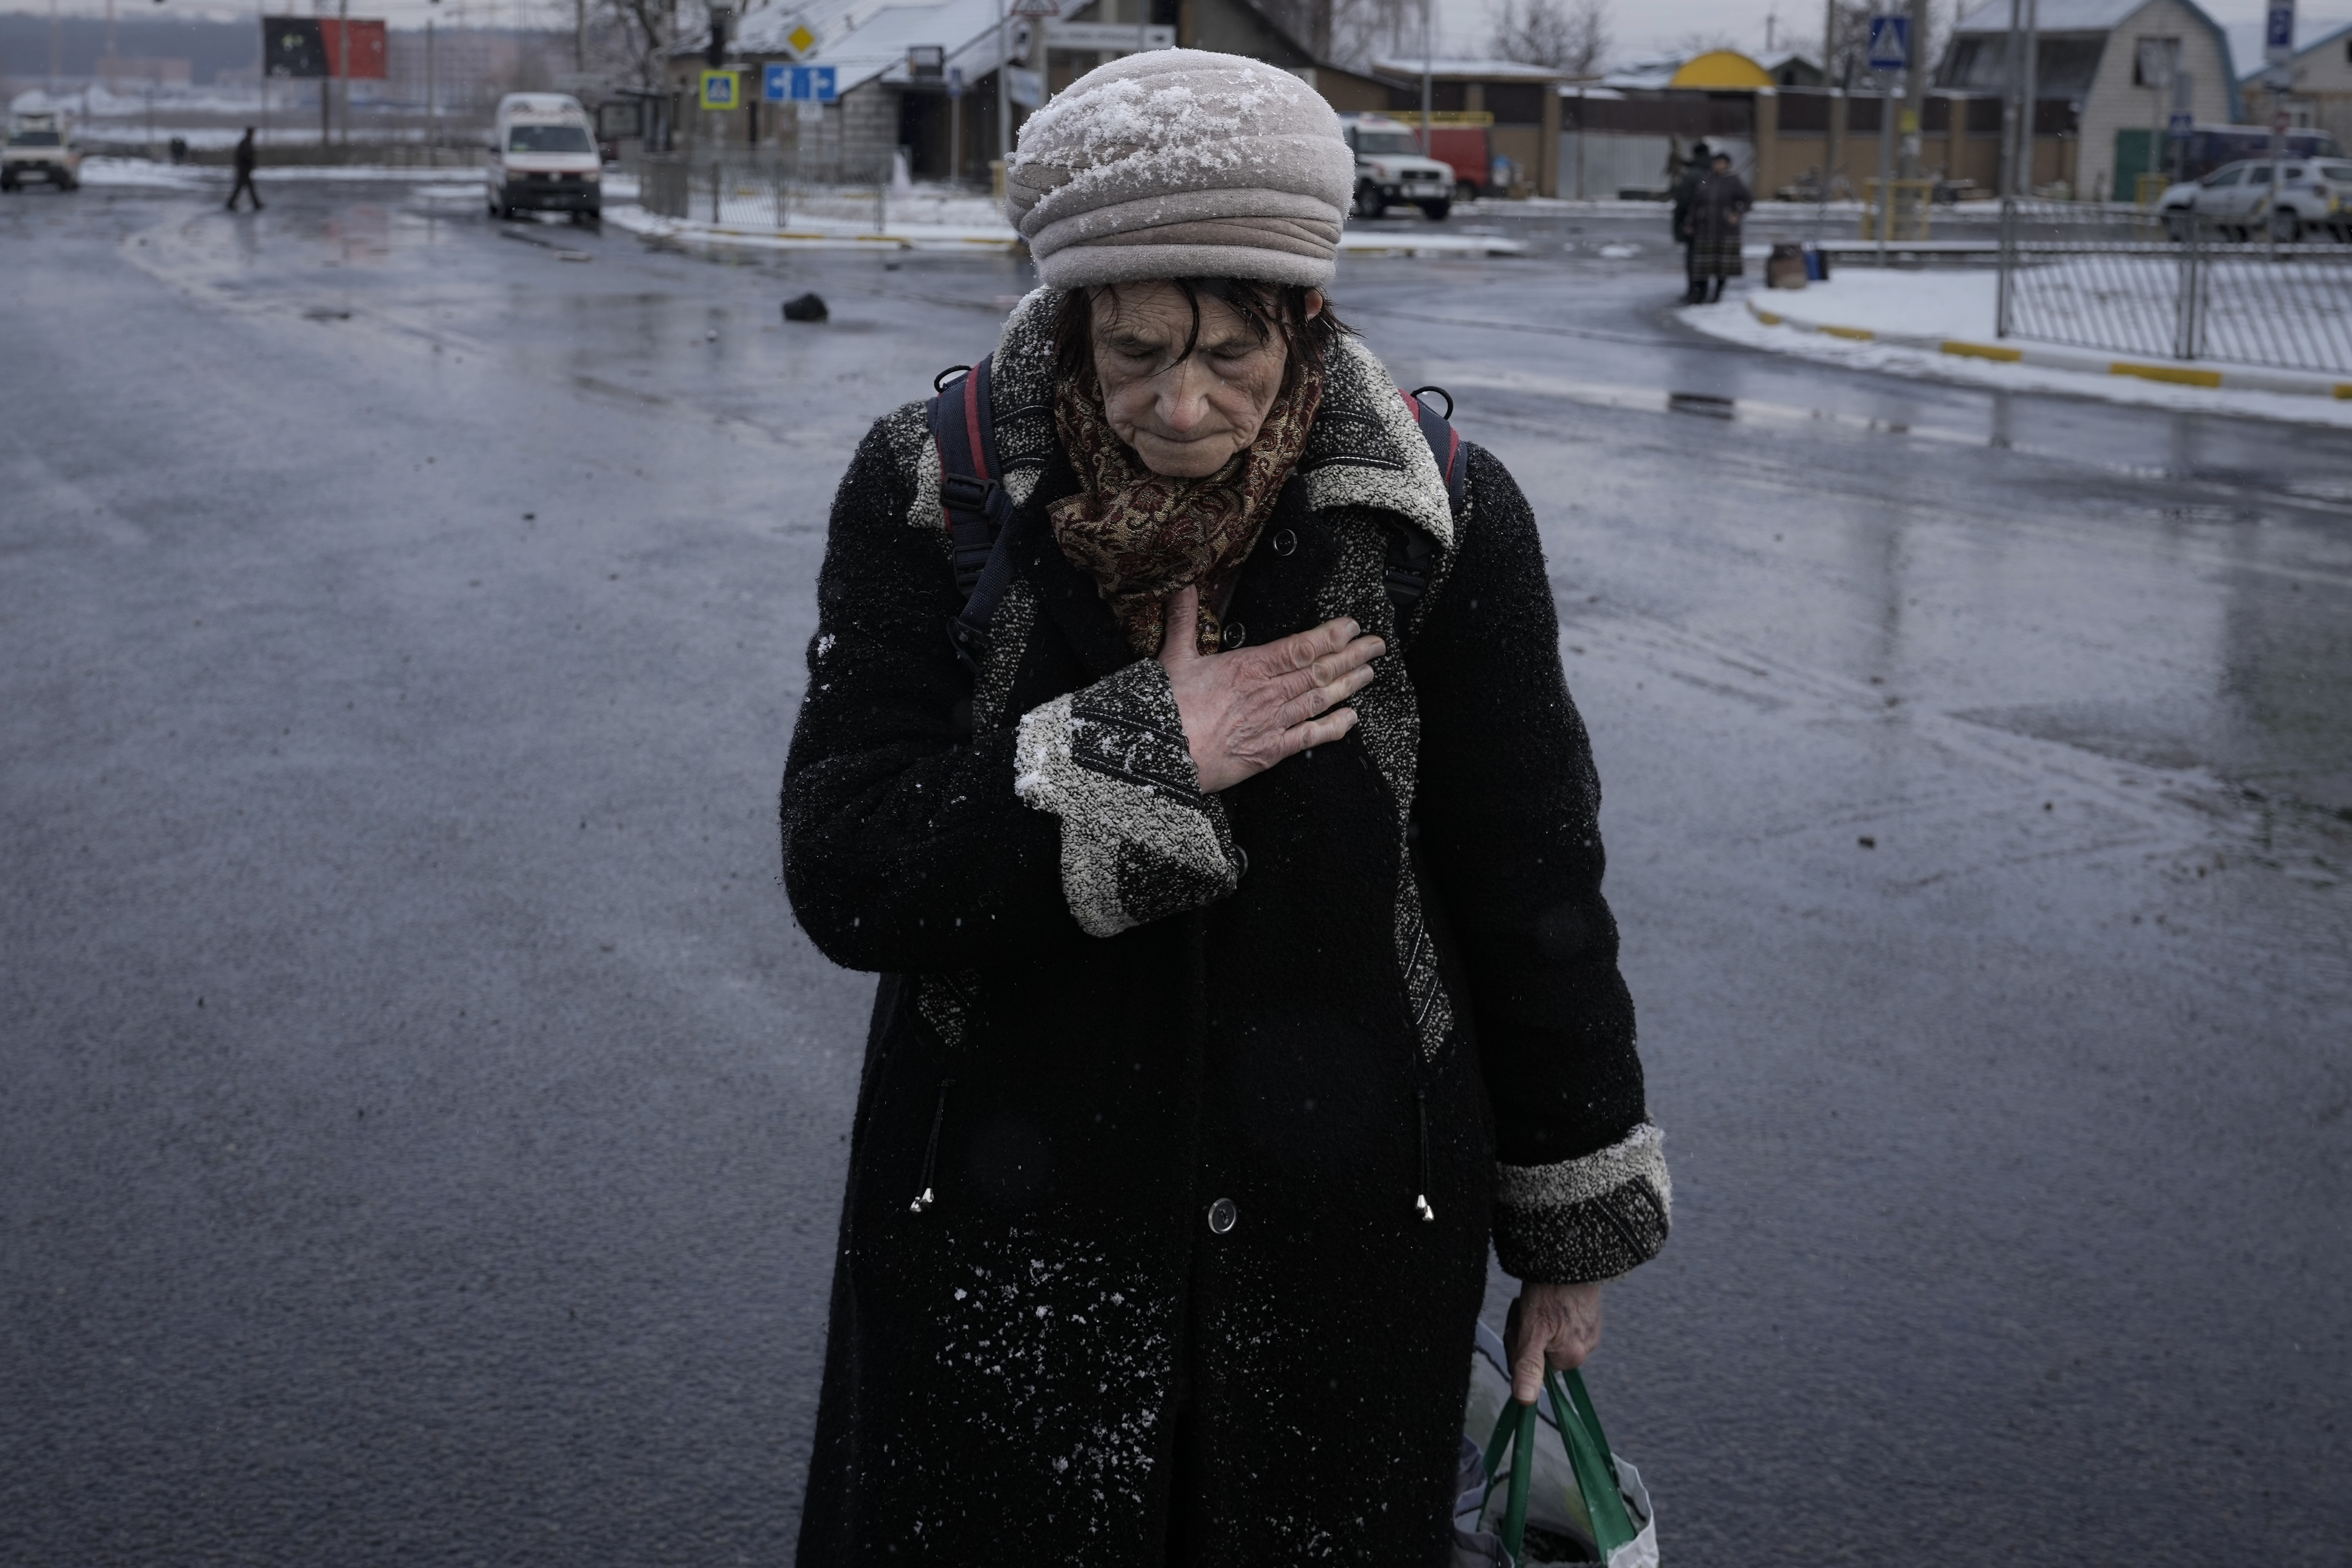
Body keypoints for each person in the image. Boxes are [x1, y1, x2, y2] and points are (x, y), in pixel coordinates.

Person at [780, 49, 1668, 1565]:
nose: (1177, 407)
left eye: (1229, 358)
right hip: (1003, 1230)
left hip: (1343, 1245)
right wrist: (1141, 751)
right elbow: (850, 863)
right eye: (1128, 354)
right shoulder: (934, 495)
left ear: (1305, 319)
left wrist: (1564, 1243)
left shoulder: (1432, 520)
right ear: (1070, 317)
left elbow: (1530, 886)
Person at [1688, 150, 1752, 304]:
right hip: (1705, 230)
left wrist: (1737, 214)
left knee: (1722, 266)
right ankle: (1701, 295)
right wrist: (1690, 223)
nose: (1719, 166)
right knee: (1704, 266)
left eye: (1723, 163)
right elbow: (1696, 204)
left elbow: (1748, 200)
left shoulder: (1734, 181)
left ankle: (1717, 294)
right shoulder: (1706, 181)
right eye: (1717, 163)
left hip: (1726, 231)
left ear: (1727, 165)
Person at [1670, 140, 1711, 302]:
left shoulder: (1694, 174)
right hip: (1711, 224)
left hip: (1694, 223)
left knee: (1694, 258)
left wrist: (1683, 222)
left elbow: (1684, 200)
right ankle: (1704, 292)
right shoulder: (1712, 171)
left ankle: (1695, 293)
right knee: (1706, 259)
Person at [225, 127, 263, 213]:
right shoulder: (246, 143)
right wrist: (248, 166)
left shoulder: (246, 143)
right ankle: (256, 205)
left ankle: (256, 204)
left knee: (244, 188)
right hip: (244, 170)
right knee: (246, 188)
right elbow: (246, 157)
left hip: (244, 170)